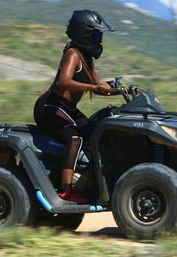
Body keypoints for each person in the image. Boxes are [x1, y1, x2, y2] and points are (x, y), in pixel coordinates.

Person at [33, 10, 113, 203]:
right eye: (96, 35)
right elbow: (64, 82)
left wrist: (121, 90)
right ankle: (65, 190)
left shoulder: (87, 58)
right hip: (51, 107)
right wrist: (94, 87)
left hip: (68, 108)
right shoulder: (73, 54)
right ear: (82, 34)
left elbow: (100, 88)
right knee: (75, 138)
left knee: (96, 133)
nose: (98, 39)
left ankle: (91, 181)